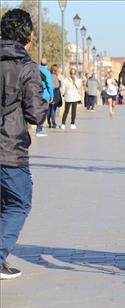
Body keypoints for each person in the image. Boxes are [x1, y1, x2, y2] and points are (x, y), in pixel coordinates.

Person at [0, 8, 48, 279]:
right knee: (18, 203)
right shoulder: (27, 67)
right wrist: (48, 101)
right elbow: (36, 114)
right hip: (9, 150)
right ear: (28, 36)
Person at [36, 57, 53, 137]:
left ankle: (38, 128)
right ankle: (39, 129)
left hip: (37, 93)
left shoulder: (36, 70)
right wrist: (51, 95)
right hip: (45, 94)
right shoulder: (47, 72)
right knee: (43, 112)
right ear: (47, 64)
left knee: (38, 111)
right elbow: (49, 84)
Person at [47, 64, 62, 128]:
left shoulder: (49, 76)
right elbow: (56, 85)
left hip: (49, 94)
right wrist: (59, 83)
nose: (58, 71)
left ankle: (49, 122)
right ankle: (53, 123)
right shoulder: (54, 76)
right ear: (54, 70)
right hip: (54, 94)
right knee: (53, 109)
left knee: (49, 109)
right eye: (57, 70)